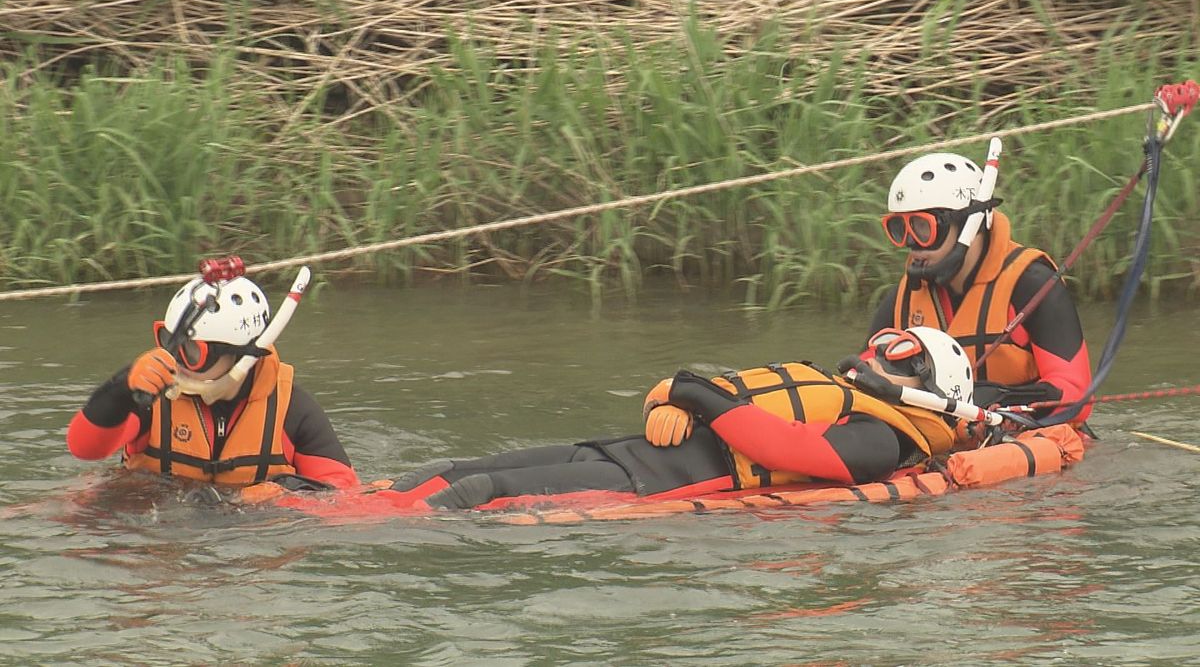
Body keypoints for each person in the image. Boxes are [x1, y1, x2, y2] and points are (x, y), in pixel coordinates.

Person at [385, 327, 972, 510]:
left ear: (930, 392)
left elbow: (786, 449)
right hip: (623, 452)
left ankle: (364, 534)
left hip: (655, 482)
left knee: (484, 488)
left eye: (900, 358)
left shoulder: (883, 442)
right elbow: (735, 404)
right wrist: (665, 401)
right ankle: (348, 504)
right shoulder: (840, 398)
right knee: (459, 466)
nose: (875, 358)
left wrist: (692, 391)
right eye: (879, 346)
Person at [66, 274, 359, 489]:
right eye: (170, 342)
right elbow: (83, 448)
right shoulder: (151, 398)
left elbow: (343, 494)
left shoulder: (292, 409)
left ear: (241, 356)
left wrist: (282, 495)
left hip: (251, 539)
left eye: (192, 351)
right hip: (157, 534)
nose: (177, 359)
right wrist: (121, 389)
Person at [869, 151, 1092, 421]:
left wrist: (928, 389)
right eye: (899, 229)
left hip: (1026, 441)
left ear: (970, 224)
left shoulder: (1031, 284)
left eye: (923, 228)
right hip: (945, 442)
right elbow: (863, 370)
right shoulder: (904, 299)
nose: (912, 244)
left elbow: (1075, 394)